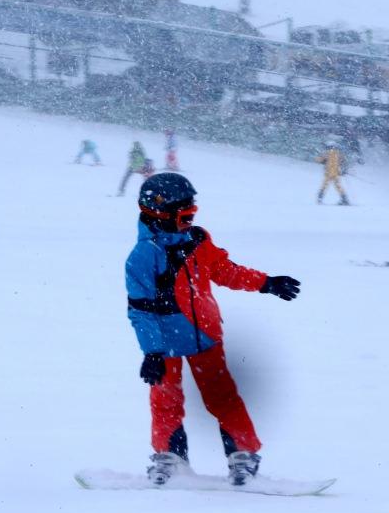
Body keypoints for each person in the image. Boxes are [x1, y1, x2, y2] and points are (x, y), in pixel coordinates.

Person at [125, 173, 301, 486]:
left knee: (222, 397)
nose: (189, 223)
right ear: (159, 213)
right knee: (165, 400)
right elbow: (141, 311)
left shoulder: (198, 240)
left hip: (205, 335)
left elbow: (224, 271)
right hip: (164, 343)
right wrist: (152, 352)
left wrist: (266, 283)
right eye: (184, 217)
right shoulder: (142, 256)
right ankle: (169, 457)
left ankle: (243, 455)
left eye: (192, 215)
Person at [316, 140, 349, 205]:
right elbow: (343, 161)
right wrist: (343, 170)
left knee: (324, 185)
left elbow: (319, 160)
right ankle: (344, 198)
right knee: (338, 186)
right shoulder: (338, 154)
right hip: (335, 173)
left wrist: (321, 159)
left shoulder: (326, 153)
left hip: (329, 172)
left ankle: (319, 198)